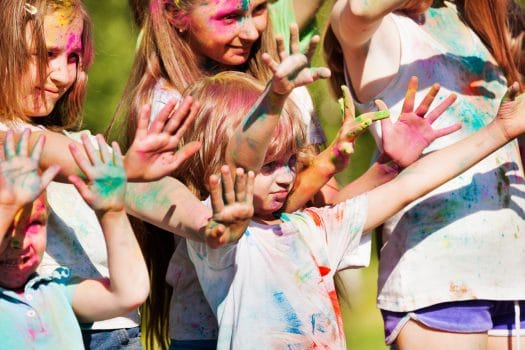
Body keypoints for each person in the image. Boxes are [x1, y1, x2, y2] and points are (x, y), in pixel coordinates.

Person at [180, 36, 525, 348]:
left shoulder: (312, 230)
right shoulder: (221, 243)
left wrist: (499, 131)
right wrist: (276, 96)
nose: (285, 176)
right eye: (268, 166)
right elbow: (239, 161)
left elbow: (408, 187)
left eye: (289, 161)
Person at [0, 1, 226, 349]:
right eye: (47, 53)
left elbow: (145, 191)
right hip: (50, 329)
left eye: (73, 58)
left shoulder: (76, 143)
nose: (62, 74)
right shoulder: (11, 141)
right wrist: (127, 167)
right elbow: (39, 149)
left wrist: (208, 221)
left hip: (120, 329)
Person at [112, 1, 335, 348]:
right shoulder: (169, 106)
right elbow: (241, 204)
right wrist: (321, 168)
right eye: (230, 17)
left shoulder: (269, 73)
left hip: (283, 312)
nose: (250, 31)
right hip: (212, 325)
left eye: (259, 9)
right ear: (175, 14)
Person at [326, 0, 525, 348]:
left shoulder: (468, 20)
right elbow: (358, 11)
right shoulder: (383, 28)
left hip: (510, 275)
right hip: (437, 276)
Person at [0, 128, 149, 349]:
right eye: (8, 224)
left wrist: (112, 212)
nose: (20, 243)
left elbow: (128, 294)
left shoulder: (51, 291)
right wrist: (7, 205)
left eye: (35, 224)